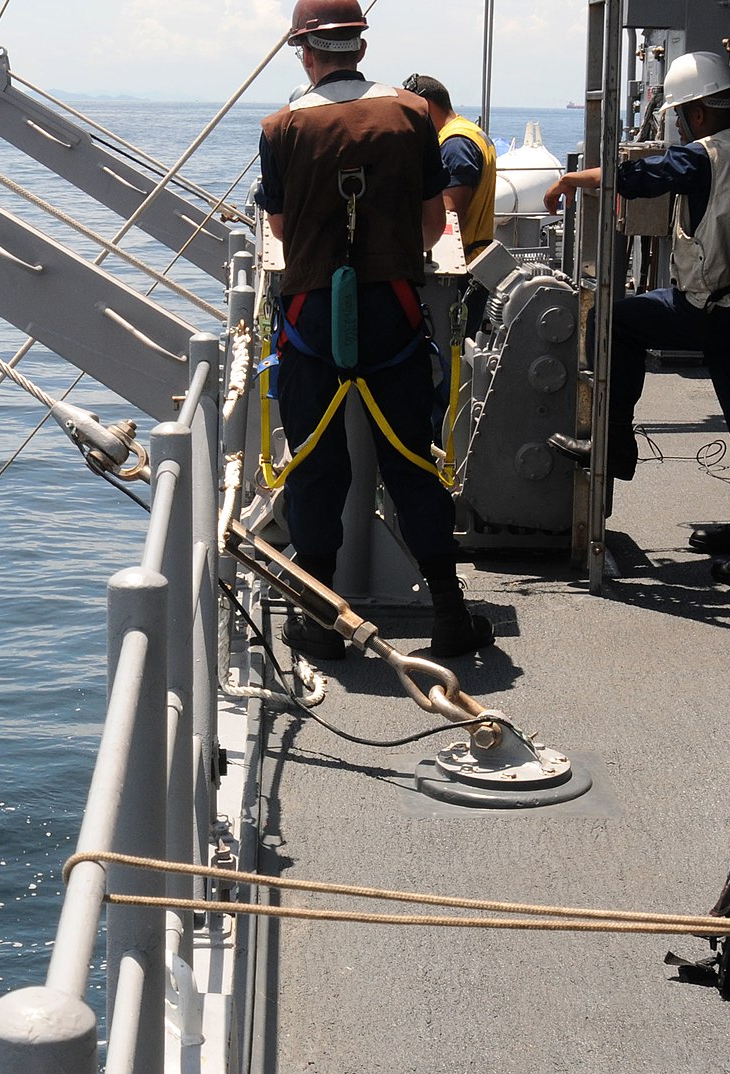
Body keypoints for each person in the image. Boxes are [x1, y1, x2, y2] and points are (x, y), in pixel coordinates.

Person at [257, 0, 494, 657]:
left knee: (313, 465)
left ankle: (320, 618)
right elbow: (430, 221)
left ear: (306, 51)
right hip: (393, 308)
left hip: (311, 320)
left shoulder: (280, 127)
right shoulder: (413, 114)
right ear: (359, 48)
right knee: (413, 461)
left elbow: (279, 230)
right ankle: (448, 611)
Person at [542, 51, 730, 591]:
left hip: (712, 309)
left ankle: (613, 444)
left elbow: (638, 177)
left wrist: (574, 180)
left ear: (700, 114)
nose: (683, 127)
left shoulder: (706, 156)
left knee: (619, 321)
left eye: (683, 116)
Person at [401, 74, 497, 254]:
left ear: (425, 105)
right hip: (477, 257)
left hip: (463, 264)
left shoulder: (456, 143)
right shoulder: (469, 131)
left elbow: (450, 215)